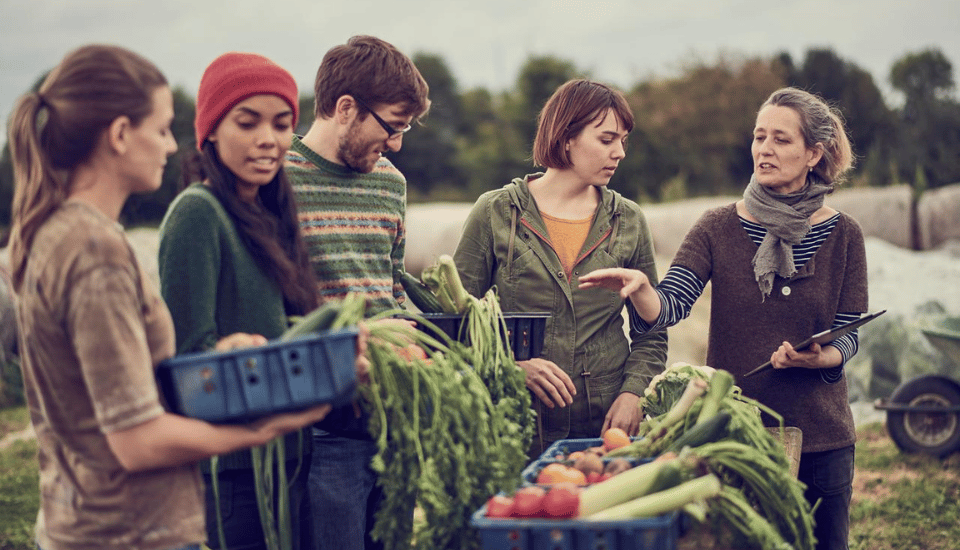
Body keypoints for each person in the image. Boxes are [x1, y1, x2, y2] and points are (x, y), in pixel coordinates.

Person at [7, 44, 330, 550]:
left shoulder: (62, 234)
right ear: (118, 135)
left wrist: (231, 355)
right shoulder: (94, 248)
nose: (169, 146)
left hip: (100, 522)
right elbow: (135, 440)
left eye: (282, 123)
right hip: (124, 530)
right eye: (160, 129)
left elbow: (125, 391)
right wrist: (263, 429)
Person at [579, 86, 866, 550]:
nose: (764, 149)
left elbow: (851, 327)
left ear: (814, 153)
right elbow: (671, 306)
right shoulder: (718, 227)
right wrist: (643, 291)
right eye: (759, 137)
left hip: (822, 434)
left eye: (781, 140)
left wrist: (824, 356)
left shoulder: (844, 233)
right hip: (736, 434)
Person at [158, 52, 324, 550]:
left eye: (281, 124)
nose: (268, 140)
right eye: (247, 123)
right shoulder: (198, 213)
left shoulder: (269, 214)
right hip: (234, 471)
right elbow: (189, 359)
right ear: (210, 131)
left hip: (288, 454)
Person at [453, 79, 668, 457]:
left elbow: (651, 330)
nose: (619, 152)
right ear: (566, 137)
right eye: (606, 140)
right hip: (514, 423)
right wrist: (512, 366)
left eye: (623, 141)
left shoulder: (629, 219)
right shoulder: (495, 212)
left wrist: (634, 392)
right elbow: (456, 321)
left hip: (604, 430)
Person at [284, 35, 430, 550]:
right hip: (321, 425)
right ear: (346, 108)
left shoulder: (391, 182)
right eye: (392, 126)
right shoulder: (278, 179)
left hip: (391, 417)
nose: (396, 143)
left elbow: (389, 287)